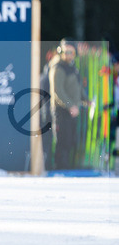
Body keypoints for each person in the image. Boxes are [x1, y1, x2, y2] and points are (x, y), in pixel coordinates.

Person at [48, 39, 83, 169]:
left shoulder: (72, 67)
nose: (68, 54)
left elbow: (77, 88)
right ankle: (60, 168)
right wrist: (70, 105)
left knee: (70, 140)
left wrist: (86, 99)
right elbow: (58, 91)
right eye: (65, 51)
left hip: (71, 110)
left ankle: (66, 166)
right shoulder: (58, 67)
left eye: (71, 52)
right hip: (61, 110)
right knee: (62, 140)